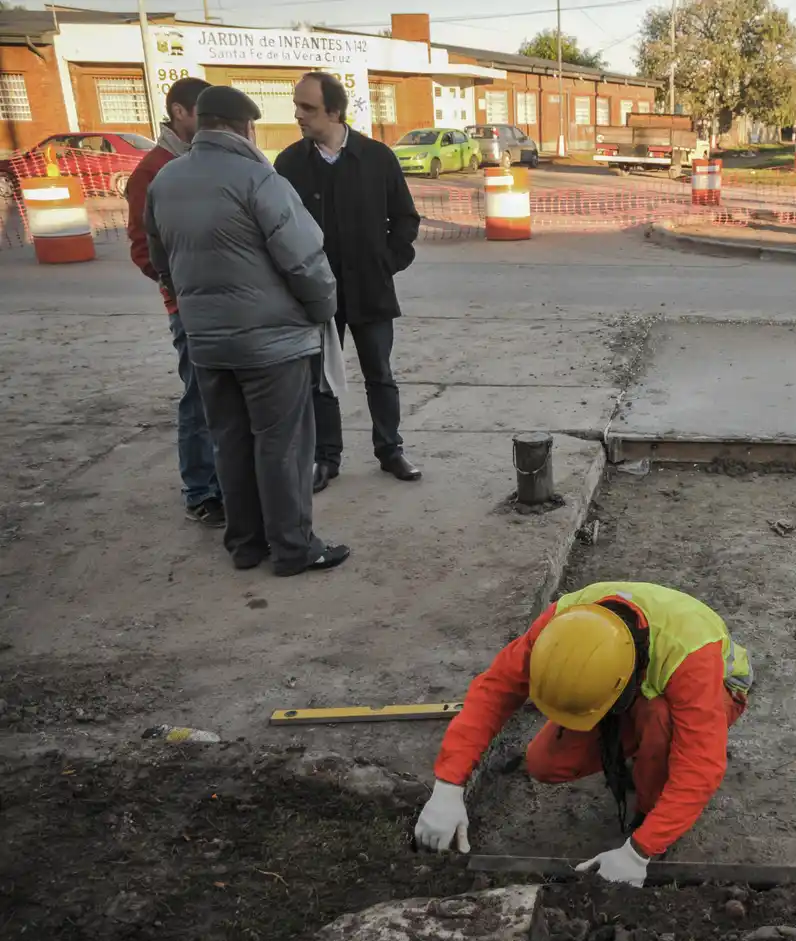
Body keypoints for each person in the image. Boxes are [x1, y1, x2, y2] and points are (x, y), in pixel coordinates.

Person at [414, 582, 755, 885]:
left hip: (719, 689)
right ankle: (642, 751)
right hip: (639, 684)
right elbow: (493, 692)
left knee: (658, 717)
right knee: (545, 763)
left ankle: (651, 816)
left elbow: (701, 767)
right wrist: (447, 787)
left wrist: (639, 851)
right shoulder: (560, 627)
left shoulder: (690, 657)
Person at [145, 85, 351, 577]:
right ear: (245, 128)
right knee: (283, 446)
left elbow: (162, 263)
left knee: (230, 442)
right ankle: (294, 548)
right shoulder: (261, 180)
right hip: (272, 346)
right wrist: (323, 310)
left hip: (208, 344)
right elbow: (305, 261)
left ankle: (245, 544)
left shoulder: (165, 181)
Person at [274, 72, 422, 493]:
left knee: (380, 373)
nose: (298, 115)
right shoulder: (288, 164)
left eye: (308, 107)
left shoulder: (376, 158)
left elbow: (405, 218)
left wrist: (388, 261)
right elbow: (277, 227)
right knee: (322, 379)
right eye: (297, 106)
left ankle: (390, 450)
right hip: (317, 296)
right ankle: (326, 458)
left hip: (371, 291)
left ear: (334, 111)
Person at [125, 75, 224, 527]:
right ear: (180, 113)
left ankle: (227, 483)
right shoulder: (154, 170)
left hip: (228, 303)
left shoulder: (209, 161)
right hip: (188, 307)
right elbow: (145, 249)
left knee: (226, 398)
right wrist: (182, 287)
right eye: (200, 112)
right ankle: (201, 490)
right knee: (200, 399)